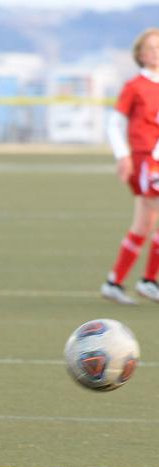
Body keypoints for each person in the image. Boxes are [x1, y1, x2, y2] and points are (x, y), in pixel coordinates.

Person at [101, 28, 159, 304]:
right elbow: (114, 122)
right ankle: (148, 281)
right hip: (146, 160)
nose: (156, 52)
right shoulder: (135, 86)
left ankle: (115, 282)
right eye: (151, 48)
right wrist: (122, 155)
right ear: (140, 54)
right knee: (147, 219)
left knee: (144, 223)